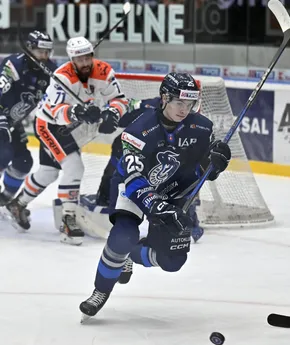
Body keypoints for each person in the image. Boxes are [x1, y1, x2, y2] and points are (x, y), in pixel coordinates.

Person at [79, 72, 231, 320]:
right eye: (179, 102)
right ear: (164, 98)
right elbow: (134, 178)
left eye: (189, 103)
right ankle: (100, 290)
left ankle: (132, 255)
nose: (185, 109)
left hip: (172, 189)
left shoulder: (203, 128)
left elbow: (200, 171)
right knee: (123, 236)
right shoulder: (138, 130)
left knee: (172, 261)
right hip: (133, 187)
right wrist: (157, 206)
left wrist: (214, 164)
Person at [5, 36, 129, 245]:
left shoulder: (104, 71)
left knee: (49, 172)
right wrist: (76, 112)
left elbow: (119, 99)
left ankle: (17, 204)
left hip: (71, 128)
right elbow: (53, 110)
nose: (84, 63)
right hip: (49, 126)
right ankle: (67, 219)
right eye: (79, 59)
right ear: (72, 59)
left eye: (87, 57)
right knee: (74, 168)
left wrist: (113, 113)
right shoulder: (62, 77)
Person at [79, 97, 205, 243]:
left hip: (159, 160)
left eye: (189, 106)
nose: (184, 111)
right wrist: (108, 118)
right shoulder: (150, 108)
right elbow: (124, 114)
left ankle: (189, 220)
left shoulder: (193, 127)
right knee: (121, 175)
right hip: (135, 154)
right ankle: (110, 205)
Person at [0, 31, 56, 211]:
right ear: (29, 49)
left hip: (12, 124)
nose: (44, 57)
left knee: (24, 162)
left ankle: (4, 199)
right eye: (41, 52)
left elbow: (58, 100)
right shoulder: (13, 66)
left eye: (48, 52)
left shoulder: (50, 73)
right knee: (3, 154)